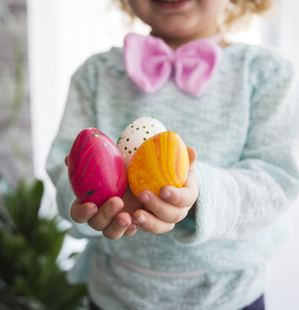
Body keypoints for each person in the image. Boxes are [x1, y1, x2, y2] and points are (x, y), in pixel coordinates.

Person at [46, 0, 299, 309]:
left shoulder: (267, 73)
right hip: (116, 295)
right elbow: (65, 171)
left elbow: (276, 180)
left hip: (230, 296)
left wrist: (198, 192)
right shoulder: (96, 74)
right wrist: (89, 198)